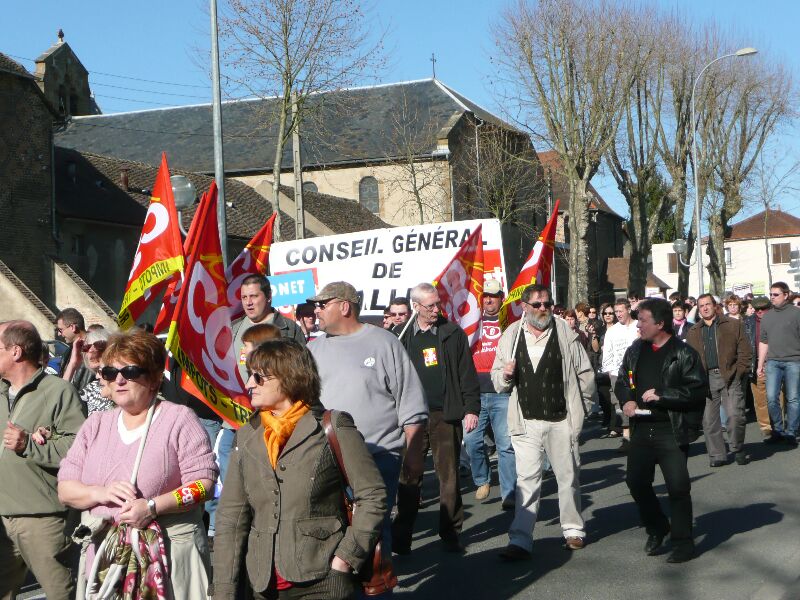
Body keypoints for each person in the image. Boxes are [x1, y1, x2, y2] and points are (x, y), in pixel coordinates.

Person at [213, 339, 386, 600]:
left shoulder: (331, 425)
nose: (249, 384)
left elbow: (372, 495)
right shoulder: (248, 435)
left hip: (322, 579)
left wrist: (345, 558)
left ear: (288, 377)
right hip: (263, 584)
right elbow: (231, 518)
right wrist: (224, 591)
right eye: (250, 376)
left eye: (258, 377)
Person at [58, 329, 218, 598]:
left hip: (170, 561)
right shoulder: (95, 425)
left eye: (130, 372)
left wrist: (154, 506)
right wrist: (101, 493)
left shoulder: (179, 419)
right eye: (110, 372)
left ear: (155, 377)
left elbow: (204, 485)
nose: (119, 380)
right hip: (106, 563)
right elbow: (65, 489)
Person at [306, 281, 428, 560]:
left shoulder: (384, 343)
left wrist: (413, 456)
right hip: (327, 458)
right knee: (334, 529)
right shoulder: (313, 349)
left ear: (344, 306)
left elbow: (411, 403)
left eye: (322, 305)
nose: (316, 311)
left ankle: (376, 585)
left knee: (371, 528)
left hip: (378, 456)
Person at [491, 284, 595, 560]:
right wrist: (505, 375)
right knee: (527, 481)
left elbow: (585, 374)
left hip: (562, 419)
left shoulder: (565, 333)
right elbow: (497, 381)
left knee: (568, 476)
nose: (543, 309)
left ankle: (573, 530)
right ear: (524, 307)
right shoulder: (511, 335)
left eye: (547, 304)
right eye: (537, 304)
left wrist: (584, 410)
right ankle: (520, 540)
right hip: (525, 421)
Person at [615, 298, 706, 563]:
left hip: (671, 430)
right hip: (642, 429)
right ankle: (657, 526)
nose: (638, 326)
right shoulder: (635, 350)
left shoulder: (683, 353)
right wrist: (627, 399)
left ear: (660, 323)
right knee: (636, 482)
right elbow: (624, 380)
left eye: (643, 320)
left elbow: (698, 390)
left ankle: (683, 543)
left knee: (677, 488)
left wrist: (664, 395)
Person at [0, 320, 86, 600]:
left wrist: (30, 446)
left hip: (43, 519)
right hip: (2, 518)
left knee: (62, 594)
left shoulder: (59, 392)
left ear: (15, 352)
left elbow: (79, 449)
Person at [394, 282, 480, 554]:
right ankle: (402, 538)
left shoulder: (451, 333)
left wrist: (471, 408)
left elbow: (466, 372)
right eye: (430, 305)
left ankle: (451, 533)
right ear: (416, 307)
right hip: (411, 417)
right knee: (409, 478)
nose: (436, 309)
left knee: (449, 476)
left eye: (437, 304)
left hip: (445, 413)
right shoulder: (401, 336)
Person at [464, 279, 516, 509]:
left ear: (501, 297)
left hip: (501, 391)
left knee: (505, 444)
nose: (488, 300)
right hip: (475, 393)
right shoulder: (472, 322)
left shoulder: (509, 322)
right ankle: (482, 479)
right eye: (484, 295)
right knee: (472, 441)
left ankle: (509, 492)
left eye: (493, 296)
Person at [686, 294, 752, 466]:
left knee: (735, 416)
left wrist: (739, 372)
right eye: (701, 306)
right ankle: (717, 455)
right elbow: (690, 359)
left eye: (708, 304)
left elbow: (745, 351)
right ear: (698, 309)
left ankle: (737, 448)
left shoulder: (733, 325)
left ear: (715, 306)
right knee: (709, 421)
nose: (705, 308)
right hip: (706, 379)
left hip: (730, 376)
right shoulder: (693, 332)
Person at [756, 281, 800, 446]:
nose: (772, 298)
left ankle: (791, 432)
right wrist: (760, 364)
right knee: (771, 397)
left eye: (776, 294)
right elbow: (764, 342)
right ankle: (778, 430)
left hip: (794, 361)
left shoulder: (796, 314)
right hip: (773, 362)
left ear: (786, 295)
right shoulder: (767, 316)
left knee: (793, 398)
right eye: (771, 294)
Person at [602, 298, 640, 450]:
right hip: (618, 374)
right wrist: (611, 372)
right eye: (616, 311)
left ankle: (640, 437)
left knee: (637, 403)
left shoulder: (638, 326)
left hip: (636, 372)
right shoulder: (612, 331)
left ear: (628, 310)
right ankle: (626, 439)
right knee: (620, 403)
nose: (618, 314)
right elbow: (608, 354)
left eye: (620, 311)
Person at [744, 296, 776, 440]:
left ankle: (778, 425)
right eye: (757, 309)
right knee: (760, 399)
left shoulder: (777, 320)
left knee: (777, 397)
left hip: (776, 363)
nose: (760, 311)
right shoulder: (747, 323)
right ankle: (766, 427)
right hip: (756, 365)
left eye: (763, 309)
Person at [73, 326, 115, 414]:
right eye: (86, 347)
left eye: (98, 345)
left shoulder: (118, 384)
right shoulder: (93, 387)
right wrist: (73, 363)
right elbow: (64, 402)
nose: (91, 350)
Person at [56, 307, 93, 391]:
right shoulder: (69, 351)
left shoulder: (95, 349)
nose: (59, 334)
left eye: (60, 330)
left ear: (72, 327)